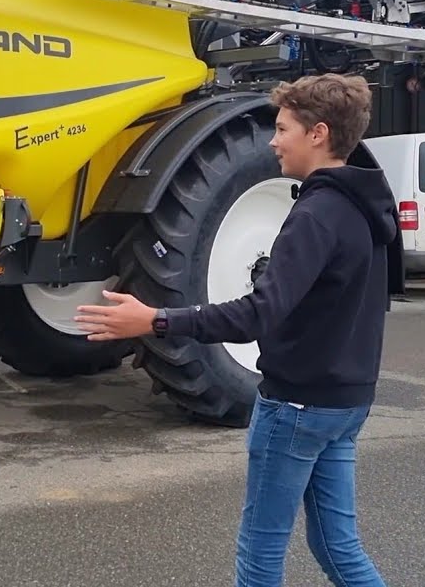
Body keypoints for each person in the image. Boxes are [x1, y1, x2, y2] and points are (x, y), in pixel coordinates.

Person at [75, 73, 397, 587]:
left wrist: (154, 319)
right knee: (336, 545)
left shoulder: (315, 214)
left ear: (317, 134)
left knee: (261, 550)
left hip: (297, 406)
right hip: (347, 402)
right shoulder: (367, 208)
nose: (273, 141)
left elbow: (255, 315)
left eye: (283, 128)